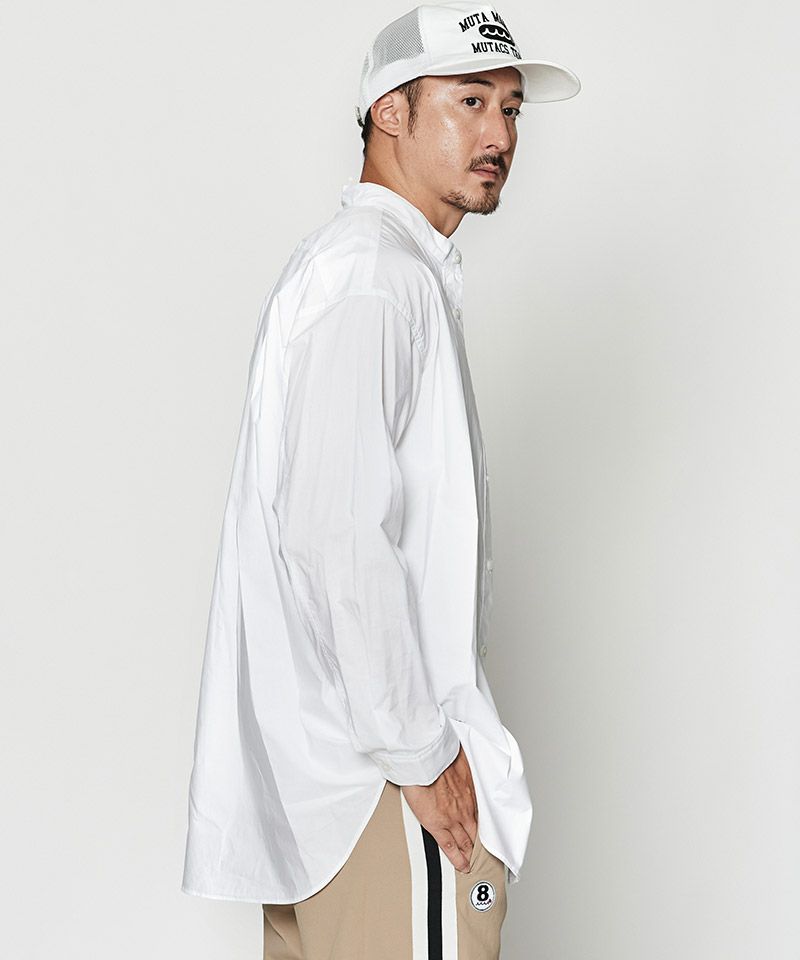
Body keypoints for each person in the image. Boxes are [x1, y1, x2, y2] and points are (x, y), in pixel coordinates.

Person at [181, 2, 580, 956]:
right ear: (389, 113)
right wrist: (422, 754)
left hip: (328, 798)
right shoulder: (374, 277)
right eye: (470, 100)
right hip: (377, 790)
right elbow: (335, 532)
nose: (500, 134)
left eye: (511, 108)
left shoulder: (370, 269)